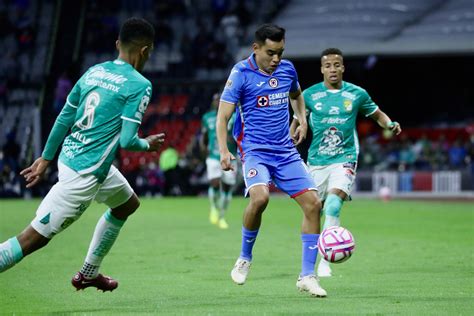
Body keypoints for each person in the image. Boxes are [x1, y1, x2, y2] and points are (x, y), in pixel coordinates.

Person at [0, 17, 165, 292]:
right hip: (85, 173)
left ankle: (89, 272)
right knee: (31, 239)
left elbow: (64, 117)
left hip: (73, 157)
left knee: (127, 204)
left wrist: (45, 158)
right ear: (146, 51)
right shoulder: (139, 84)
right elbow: (127, 140)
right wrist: (147, 144)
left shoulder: (94, 71)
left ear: (117, 44)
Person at [217, 24, 327, 297]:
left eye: (280, 52)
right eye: (270, 53)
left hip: (286, 152)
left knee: (314, 204)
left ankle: (307, 276)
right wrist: (223, 150)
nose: (276, 59)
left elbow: (296, 95)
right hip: (255, 152)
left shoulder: (287, 69)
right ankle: (244, 257)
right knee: (260, 199)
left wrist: (300, 118)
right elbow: (223, 117)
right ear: (255, 49)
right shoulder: (241, 74)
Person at [290, 48, 402, 277]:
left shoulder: (357, 94)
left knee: (332, 205)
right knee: (314, 211)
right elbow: (296, 122)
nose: (333, 69)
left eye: (337, 64)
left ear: (343, 67)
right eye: (328, 65)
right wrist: (290, 138)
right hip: (316, 161)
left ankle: (326, 259)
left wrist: (390, 124)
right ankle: (307, 265)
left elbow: (378, 115)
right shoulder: (309, 95)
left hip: (345, 158)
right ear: (322, 69)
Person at [201, 92, 237, 229]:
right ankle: (214, 208)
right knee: (214, 182)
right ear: (213, 102)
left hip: (230, 155)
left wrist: (232, 139)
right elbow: (204, 135)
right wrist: (203, 147)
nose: (218, 102)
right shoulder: (207, 117)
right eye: (216, 100)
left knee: (227, 187)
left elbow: (239, 135)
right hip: (213, 156)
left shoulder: (233, 118)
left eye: (220, 100)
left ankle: (222, 216)